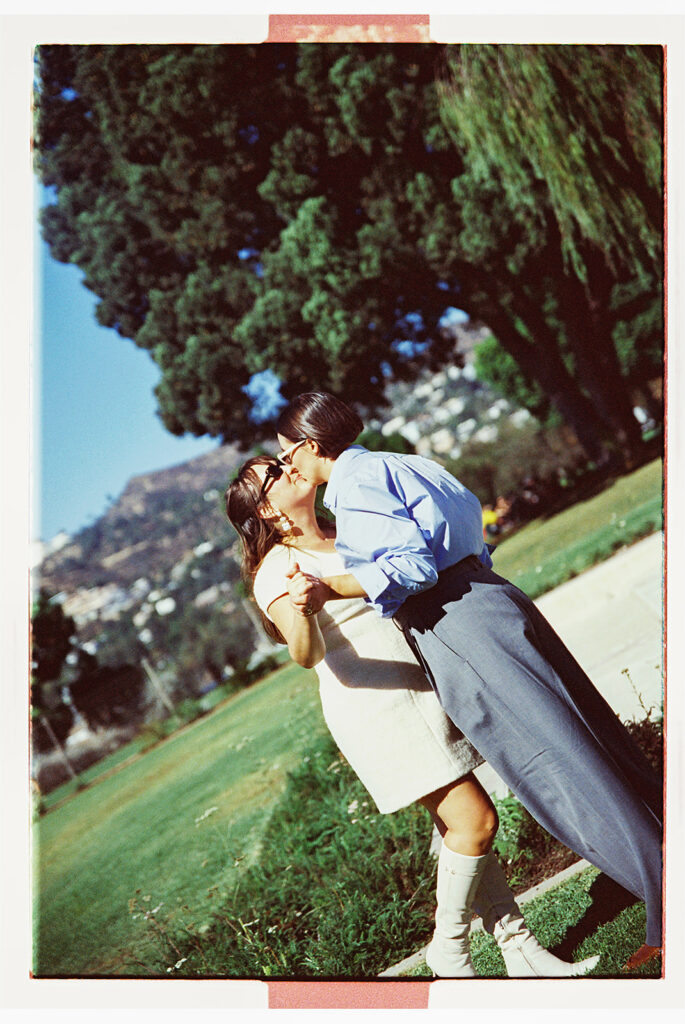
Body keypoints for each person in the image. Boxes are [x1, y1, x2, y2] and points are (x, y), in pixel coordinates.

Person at [272, 391, 664, 972]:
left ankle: (666, 907)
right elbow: (468, 519)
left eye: (287, 457)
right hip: (491, 595)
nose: (289, 469)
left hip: (453, 620)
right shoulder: (398, 461)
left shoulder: (351, 486)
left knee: (560, 767)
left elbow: (411, 568)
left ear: (310, 446)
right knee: (591, 739)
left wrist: (331, 588)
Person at [225, 453, 599, 978]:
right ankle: (447, 948)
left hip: (424, 689)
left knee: (458, 829)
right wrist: (306, 608)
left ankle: (522, 951)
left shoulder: (341, 532)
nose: (288, 466)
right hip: (379, 708)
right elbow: (305, 654)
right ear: (264, 508)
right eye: (273, 472)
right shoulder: (276, 570)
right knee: (477, 821)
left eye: (283, 459)